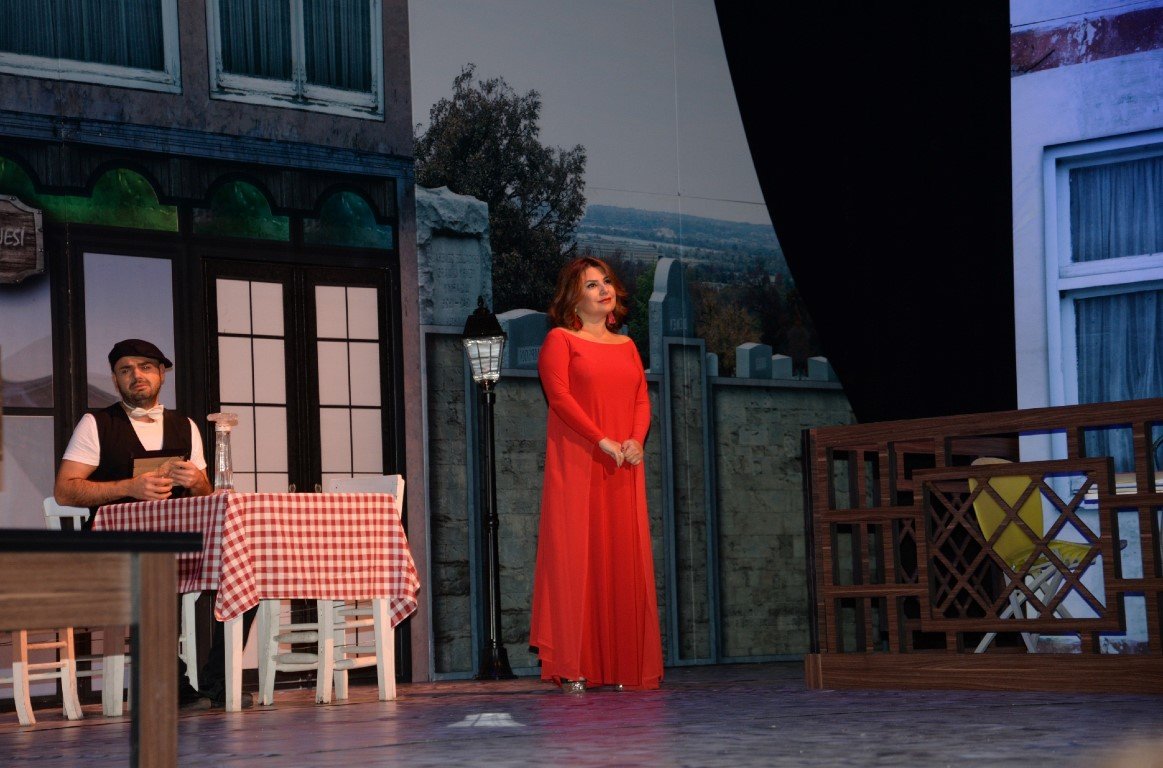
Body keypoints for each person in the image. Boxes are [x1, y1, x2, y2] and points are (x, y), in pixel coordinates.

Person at [54, 338, 250, 710]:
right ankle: (172, 685)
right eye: (125, 370)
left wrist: (198, 482)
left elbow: (207, 497)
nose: (136, 375)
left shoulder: (185, 426)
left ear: (161, 374)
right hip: (116, 548)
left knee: (245, 567)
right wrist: (128, 487)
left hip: (181, 545)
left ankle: (218, 683)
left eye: (145, 367)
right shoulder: (97, 424)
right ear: (115, 379)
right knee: (154, 567)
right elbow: (65, 490)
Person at [529, 256, 664, 692]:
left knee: (623, 558)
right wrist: (600, 439)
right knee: (576, 559)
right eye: (591, 285)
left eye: (606, 281)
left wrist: (636, 440)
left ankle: (623, 665)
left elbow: (641, 399)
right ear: (574, 298)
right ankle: (574, 664)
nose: (604, 289)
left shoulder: (627, 346)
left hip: (623, 466)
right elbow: (560, 398)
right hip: (579, 464)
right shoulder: (560, 340)